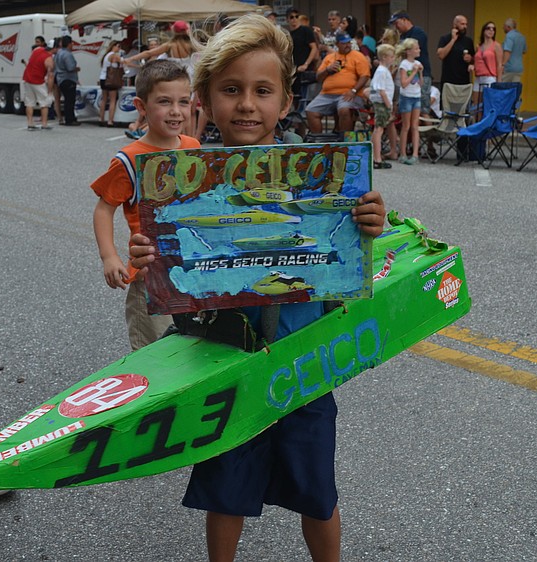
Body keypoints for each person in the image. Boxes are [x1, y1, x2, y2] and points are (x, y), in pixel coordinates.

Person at [128, 16, 385, 561]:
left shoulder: (323, 176)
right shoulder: (182, 180)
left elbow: (346, 249)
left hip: (304, 360)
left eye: (262, 91)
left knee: (317, 493)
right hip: (227, 361)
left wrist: (367, 219)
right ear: (205, 100)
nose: (247, 104)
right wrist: (149, 254)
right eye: (231, 90)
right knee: (228, 491)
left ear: (286, 101)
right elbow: (172, 265)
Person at [91, 60, 198, 350]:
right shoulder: (128, 159)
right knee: (155, 350)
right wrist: (109, 257)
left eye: (183, 102)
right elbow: (104, 208)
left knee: (192, 348)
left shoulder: (193, 147)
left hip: (190, 269)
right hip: (150, 277)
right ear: (141, 106)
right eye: (164, 102)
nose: (176, 111)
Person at [125, 21, 198, 134]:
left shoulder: (169, 45)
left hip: (171, 79)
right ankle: (190, 139)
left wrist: (131, 59)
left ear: (173, 31)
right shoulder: (192, 45)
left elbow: (149, 53)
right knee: (188, 111)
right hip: (189, 80)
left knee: (169, 108)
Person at [305, 32, 370, 134]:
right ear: (337, 44)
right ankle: (318, 141)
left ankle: (344, 141)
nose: (347, 45)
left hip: (349, 93)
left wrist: (353, 90)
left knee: (344, 109)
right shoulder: (330, 57)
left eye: (349, 42)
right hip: (327, 94)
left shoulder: (358, 56)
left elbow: (365, 76)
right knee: (310, 110)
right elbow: (318, 77)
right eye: (344, 43)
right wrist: (328, 69)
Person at [389, 12, 432, 114]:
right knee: (406, 109)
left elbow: (406, 49)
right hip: (406, 76)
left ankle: (423, 128)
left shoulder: (418, 32)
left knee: (422, 109)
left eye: (397, 23)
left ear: (404, 20)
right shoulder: (402, 36)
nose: (396, 27)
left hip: (421, 74)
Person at [396, 38, 423, 165]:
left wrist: (421, 73)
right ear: (408, 51)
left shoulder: (418, 63)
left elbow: (421, 84)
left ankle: (415, 154)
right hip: (406, 97)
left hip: (416, 96)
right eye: (416, 48)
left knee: (415, 126)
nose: (419, 50)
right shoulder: (404, 65)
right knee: (406, 126)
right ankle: (402, 153)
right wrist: (414, 72)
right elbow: (404, 83)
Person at [369, 43, 397, 168]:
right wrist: (389, 105)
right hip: (382, 104)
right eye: (391, 56)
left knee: (378, 129)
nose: (393, 58)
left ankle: (375, 156)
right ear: (384, 57)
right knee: (379, 130)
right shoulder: (381, 71)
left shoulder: (383, 71)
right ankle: (377, 158)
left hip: (382, 103)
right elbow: (381, 90)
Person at [287, 6, 319, 108]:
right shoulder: (288, 35)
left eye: (297, 16)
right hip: (293, 71)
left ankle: (302, 122)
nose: (294, 19)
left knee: (304, 100)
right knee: (294, 99)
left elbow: (314, 48)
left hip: (305, 71)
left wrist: (306, 64)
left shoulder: (305, 30)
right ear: (287, 19)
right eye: (291, 17)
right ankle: (296, 123)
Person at [21, 37, 54, 130]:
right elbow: (51, 75)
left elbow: (31, 62)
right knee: (44, 103)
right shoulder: (49, 58)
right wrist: (50, 92)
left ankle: (30, 123)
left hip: (27, 78)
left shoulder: (36, 50)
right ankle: (44, 124)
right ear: (54, 48)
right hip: (38, 81)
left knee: (29, 102)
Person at [472, 22, 503, 110]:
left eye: (493, 29)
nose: (491, 30)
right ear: (483, 30)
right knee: (476, 104)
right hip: (478, 77)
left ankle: (488, 123)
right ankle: (477, 122)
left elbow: (499, 65)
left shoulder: (496, 45)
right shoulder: (479, 46)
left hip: (490, 77)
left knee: (488, 104)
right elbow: (477, 61)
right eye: (488, 28)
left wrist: (498, 82)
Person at [437, 15, 474, 88]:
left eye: (466, 24)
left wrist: (470, 59)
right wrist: (453, 40)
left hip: (464, 81)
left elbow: (474, 59)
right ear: (455, 25)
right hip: (448, 81)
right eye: (462, 24)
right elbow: (440, 55)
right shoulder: (445, 38)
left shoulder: (468, 41)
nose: (465, 26)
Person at [55, 35, 80, 127]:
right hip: (68, 79)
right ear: (69, 44)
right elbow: (70, 67)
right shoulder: (67, 54)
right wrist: (76, 68)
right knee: (70, 100)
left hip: (60, 79)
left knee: (67, 100)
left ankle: (69, 117)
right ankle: (69, 119)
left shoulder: (59, 53)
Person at [501, 18, 527, 83]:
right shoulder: (522, 37)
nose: (503, 28)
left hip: (509, 68)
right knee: (515, 89)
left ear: (508, 27)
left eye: (504, 26)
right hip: (519, 68)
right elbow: (524, 51)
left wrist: (503, 65)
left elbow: (507, 51)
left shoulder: (509, 36)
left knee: (504, 89)